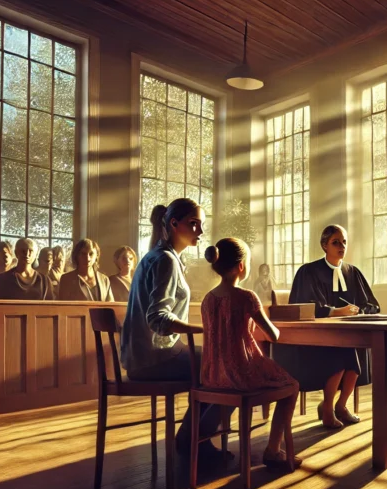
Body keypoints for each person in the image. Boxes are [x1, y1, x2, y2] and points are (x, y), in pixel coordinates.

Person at [120, 198, 226, 460]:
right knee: (225, 368)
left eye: (201, 225)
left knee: (215, 363)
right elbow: (158, 319)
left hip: (146, 355)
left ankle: (191, 439)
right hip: (153, 359)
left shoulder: (160, 257)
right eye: (193, 224)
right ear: (174, 224)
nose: (200, 232)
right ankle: (195, 443)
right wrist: (205, 330)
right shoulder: (165, 260)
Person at [201, 238, 301, 469]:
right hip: (241, 374)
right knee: (292, 386)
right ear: (241, 266)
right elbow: (273, 335)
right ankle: (273, 450)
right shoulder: (246, 297)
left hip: (213, 375)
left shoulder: (208, 299)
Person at [273, 225, 379, 429]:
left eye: (344, 242)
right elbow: (304, 306)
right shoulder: (308, 271)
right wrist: (337, 311)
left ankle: (341, 405)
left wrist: (361, 311)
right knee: (341, 355)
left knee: (357, 350)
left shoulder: (352, 272)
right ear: (324, 245)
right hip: (315, 340)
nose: (342, 246)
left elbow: (371, 303)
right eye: (336, 242)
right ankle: (328, 408)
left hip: (347, 335)